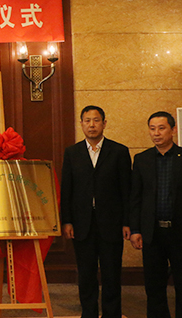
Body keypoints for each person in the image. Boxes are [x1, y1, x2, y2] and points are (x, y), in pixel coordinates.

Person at [130, 111, 182, 318]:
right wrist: (135, 229)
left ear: (173, 130)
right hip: (152, 233)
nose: (156, 133)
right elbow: (136, 198)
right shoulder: (141, 159)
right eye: (152, 129)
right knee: (154, 287)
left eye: (161, 128)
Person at [60, 105, 131, 318]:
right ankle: (88, 313)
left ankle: (112, 314)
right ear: (81, 124)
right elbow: (66, 190)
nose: (92, 125)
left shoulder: (119, 152)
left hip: (112, 223)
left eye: (96, 120)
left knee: (112, 274)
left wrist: (127, 222)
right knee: (86, 274)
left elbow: (126, 190)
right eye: (87, 121)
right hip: (82, 224)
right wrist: (67, 221)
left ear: (104, 123)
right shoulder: (72, 153)